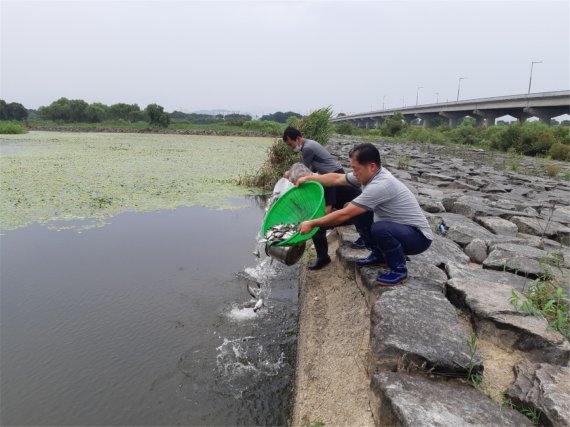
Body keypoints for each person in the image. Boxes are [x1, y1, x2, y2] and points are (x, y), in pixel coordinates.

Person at [296, 143, 433, 286]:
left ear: (372, 166)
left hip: (419, 237)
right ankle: (379, 255)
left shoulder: (381, 184)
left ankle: (399, 271)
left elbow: (344, 214)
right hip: (401, 230)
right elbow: (337, 178)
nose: (354, 173)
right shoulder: (369, 175)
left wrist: (312, 223)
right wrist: (309, 178)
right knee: (360, 212)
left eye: (356, 169)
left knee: (379, 228)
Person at [282, 126, 368, 270]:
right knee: (323, 217)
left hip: (360, 209)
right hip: (349, 198)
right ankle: (364, 236)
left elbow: (327, 212)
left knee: (318, 225)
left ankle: (323, 258)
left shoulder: (325, 182)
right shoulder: (320, 177)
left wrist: (311, 222)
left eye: (298, 181)